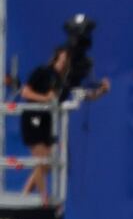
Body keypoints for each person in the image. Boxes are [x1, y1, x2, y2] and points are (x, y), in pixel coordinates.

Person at [17, 46, 109, 202]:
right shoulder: (42, 72)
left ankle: (24, 195)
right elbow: (25, 92)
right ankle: (43, 197)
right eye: (61, 60)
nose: (63, 64)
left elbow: (84, 96)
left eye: (66, 62)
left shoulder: (63, 83)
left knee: (47, 163)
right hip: (33, 118)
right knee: (41, 158)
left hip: (48, 122)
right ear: (55, 59)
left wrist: (101, 91)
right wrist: (45, 98)